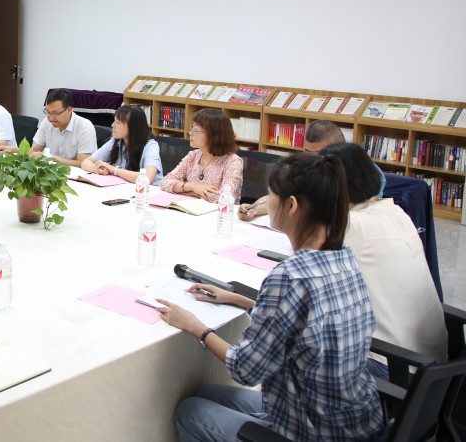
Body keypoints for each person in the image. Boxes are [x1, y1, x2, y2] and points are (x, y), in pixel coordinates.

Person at [157, 152, 384, 442]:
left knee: (190, 411)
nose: (265, 201)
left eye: (270, 195)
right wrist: (239, 299)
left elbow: (245, 369)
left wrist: (195, 327)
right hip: (354, 421)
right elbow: (305, 317)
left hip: (311, 429)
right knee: (207, 391)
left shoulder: (290, 276)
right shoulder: (343, 255)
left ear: (292, 205)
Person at [320, 142, 446, 371]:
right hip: (431, 365)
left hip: (393, 366)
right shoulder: (395, 211)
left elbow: (313, 281)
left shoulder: (353, 224)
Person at [239, 119, 385, 219]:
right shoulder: (306, 165)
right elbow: (281, 197)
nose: (314, 159)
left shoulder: (364, 171)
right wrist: (254, 209)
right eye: (308, 152)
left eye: (321, 153)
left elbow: (357, 212)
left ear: (338, 147)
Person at [0, 89, 96, 167]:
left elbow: (82, 163)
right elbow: (34, 151)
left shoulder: (85, 127)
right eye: (48, 112)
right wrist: (12, 150)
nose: (51, 117)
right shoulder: (47, 122)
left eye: (55, 113)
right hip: (52, 172)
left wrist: (52, 158)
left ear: (69, 110)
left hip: (77, 177)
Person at [160, 108, 243, 203]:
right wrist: (193, 187)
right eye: (191, 128)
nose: (190, 133)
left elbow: (224, 198)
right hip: (190, 208)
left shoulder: (233, 162)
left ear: (213, 135)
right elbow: (165, 182)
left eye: (195, 130)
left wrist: (188, 191)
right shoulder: (193, 155)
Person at [80, 105, 162, 184]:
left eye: (118, 122)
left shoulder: (150, 145)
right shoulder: (115, 141)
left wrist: (114, 170)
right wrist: (97, 169)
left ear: (132, 127)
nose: (112, 125)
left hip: (148, 191)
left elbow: (148, 178)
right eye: (114, 121)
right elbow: (85, 162)